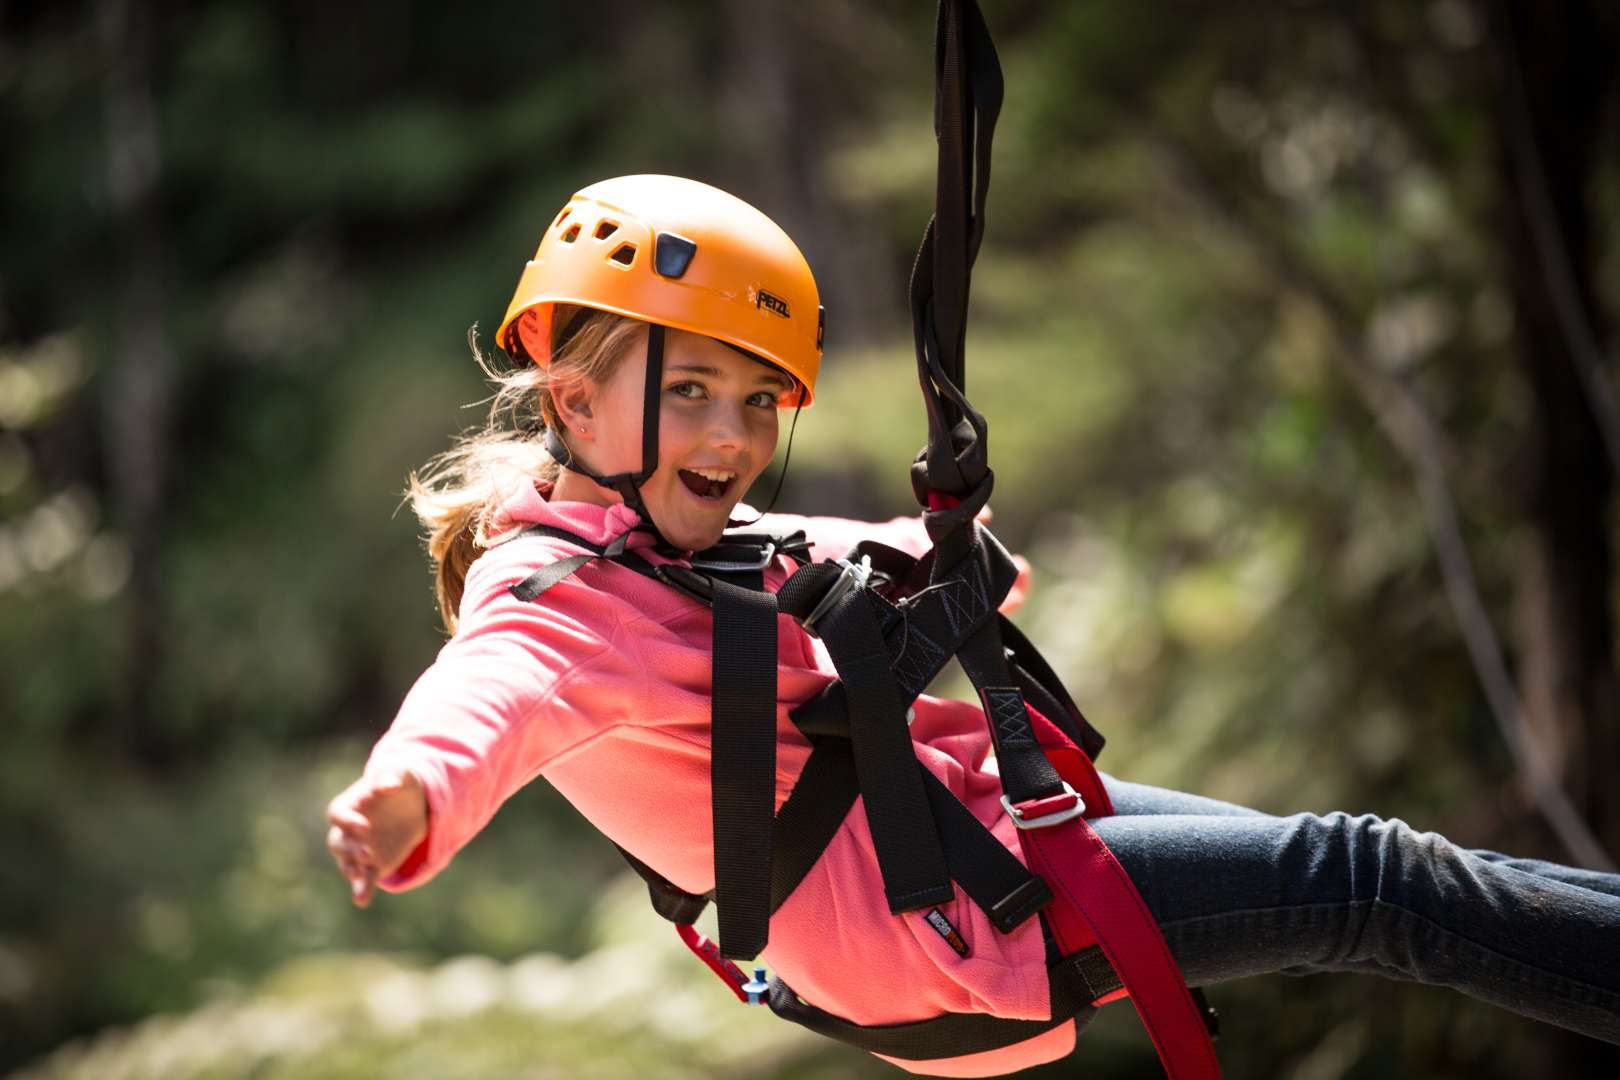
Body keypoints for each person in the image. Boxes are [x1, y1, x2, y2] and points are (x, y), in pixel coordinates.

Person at [326, 174, 1620, 1076]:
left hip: (971, 835)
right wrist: (404, 799)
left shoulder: (686, 548)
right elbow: (480, 704)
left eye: (761, 404)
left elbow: (841, 564)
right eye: (699, 392)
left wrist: (945, 548)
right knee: (1364, 879)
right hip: (940, 920)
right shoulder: (553, 605)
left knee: (1376, 867)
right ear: (576, 402)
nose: (735, 436)